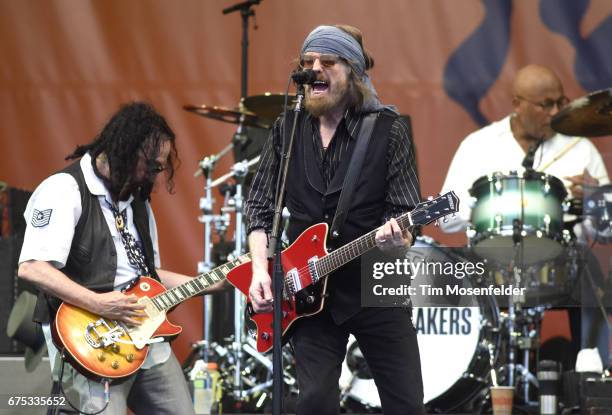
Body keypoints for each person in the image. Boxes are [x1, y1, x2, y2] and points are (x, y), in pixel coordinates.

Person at [245, 25, 424, 414]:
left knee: (406, 403)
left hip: (376, 284)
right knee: (312, 402)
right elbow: (259, 207)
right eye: (308, 62)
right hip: (306, 291)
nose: (315, 70)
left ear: (354, 73)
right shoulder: (286, 130)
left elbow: (406, 214)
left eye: (328, 62)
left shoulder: (388, 131)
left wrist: (400, 237)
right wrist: (261, 269)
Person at [17, 102, 224, 414]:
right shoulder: (64, 190)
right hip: (93, 340)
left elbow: (149, 274)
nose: (154, 175)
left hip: (145, 337)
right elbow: (32, 268)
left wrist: (213, 282)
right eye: (152, 166)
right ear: (125, 151)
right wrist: (97, 303)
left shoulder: (137, 200)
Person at [440, 64, 610, 365]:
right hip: (491, 263)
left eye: (561, 102)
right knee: (446, 275)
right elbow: (445, 217)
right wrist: (489, 208)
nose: (555, 111)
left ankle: (592, 373)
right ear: (517, 104)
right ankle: (473, 376)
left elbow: (606, 233)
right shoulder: (480, 145)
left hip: (562, 264)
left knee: (591, 271)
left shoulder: (580, 148)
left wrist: (597, 199)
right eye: (546, 104)